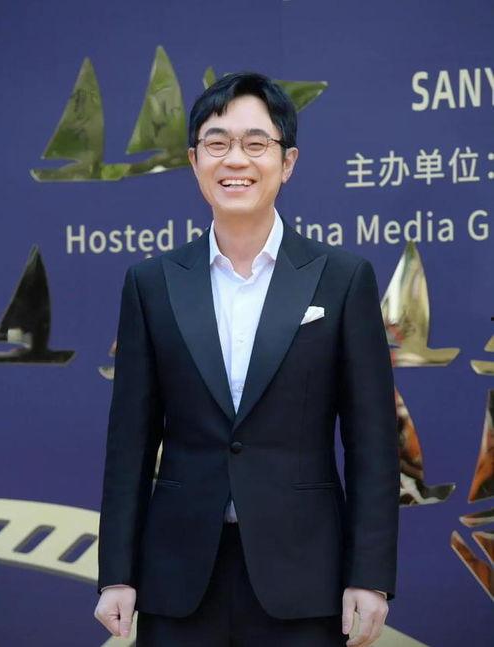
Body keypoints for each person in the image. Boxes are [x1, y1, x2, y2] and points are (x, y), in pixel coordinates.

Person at [94, 71, 400, 647]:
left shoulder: (340, 279)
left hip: (304, 577)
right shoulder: (153, 284)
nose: (236, 160)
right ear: (194, 161)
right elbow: (129, 443)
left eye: (256, 143)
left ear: (287, 162)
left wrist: (370, 575)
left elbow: (373, 444)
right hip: (178, 577)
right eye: (217, 143)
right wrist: (117, 573)